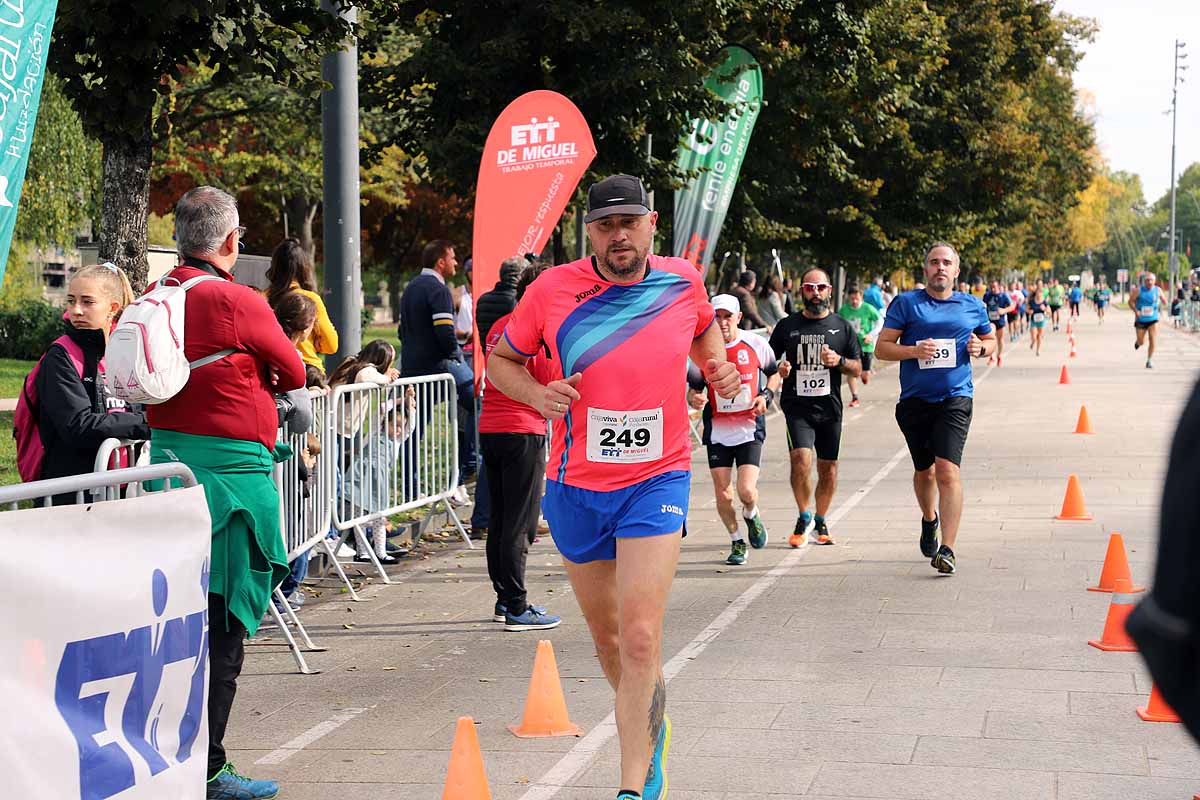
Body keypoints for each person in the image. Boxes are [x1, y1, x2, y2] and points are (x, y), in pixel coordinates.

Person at [486, 174, 739, 800]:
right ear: (589, 230)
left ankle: (634, 785)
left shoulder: (682, 280)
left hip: (657, 478)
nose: (618, 235)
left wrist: (717, 368)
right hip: (575, 486)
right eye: (605, 225)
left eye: (629, 222)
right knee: (608, 642)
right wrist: (539, 395)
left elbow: (705, 326)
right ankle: (649, 724)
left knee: (641, 636)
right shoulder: (551, 289)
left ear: (652, 222)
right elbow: (500, 362)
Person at [145, 186, 305, 799]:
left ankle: (182, 757)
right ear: (232, 242)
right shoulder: (234, 299)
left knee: (176, 629)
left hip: (165, 476)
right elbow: (293, 369)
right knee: (223, 632)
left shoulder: (157, 295)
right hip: (229, 492)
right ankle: (208, 767)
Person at [874, 242, 996, 575]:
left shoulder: (971, 305)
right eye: (934, 262)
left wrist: (981, 348)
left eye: (946, 263)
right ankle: (930, 519)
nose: (940, 267)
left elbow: (991, 339)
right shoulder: (907, 303)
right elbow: (881, 349)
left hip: (955, 399)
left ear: (956, 270)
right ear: (925, 269)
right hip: (914, 402)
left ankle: (948, 548)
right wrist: (914, 351)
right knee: (924, 470)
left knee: (947, 471)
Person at [478, 261, 560, 630]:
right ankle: (516, 604)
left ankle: (503, 599)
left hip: (492, 427)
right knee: (520, 523)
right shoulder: (537, 329)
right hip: (522, 429)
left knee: (499, 519)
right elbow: (545, 377)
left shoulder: (500, 325)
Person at [34, 263, 149, 500]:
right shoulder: (60, 356)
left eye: (87, 302)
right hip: (71, 495)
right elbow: (78, 425)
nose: (76, 310)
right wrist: (145, 424)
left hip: (124, 491)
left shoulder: (129, 351)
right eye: (71, 300)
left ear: (112, 308)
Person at [769, 268, 862, 547]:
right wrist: (779, 369)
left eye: (820, 287)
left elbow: (858, 368)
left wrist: (839, 361)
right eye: (810, 287)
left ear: (829, 291)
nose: (816, 293)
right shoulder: (787, 326)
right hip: (797, 407)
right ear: (802, 291)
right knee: (800, 460)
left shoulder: (842, 327)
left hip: (830, 408)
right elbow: (768, 363)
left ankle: (820, 518)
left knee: (828, 468)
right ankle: (803, 514)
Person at [686, 294, 780, 565]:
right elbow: (694, 390)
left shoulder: (755, 343)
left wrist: (766, 396)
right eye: (717, 317)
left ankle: (751, 514)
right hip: (717, 429)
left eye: (728, 317)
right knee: (723, 492)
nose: (723, 322)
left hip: (749, 428)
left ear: (739, 318)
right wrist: (695, 399)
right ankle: (737, 540)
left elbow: (772, 373)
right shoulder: (702, 351)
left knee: (746, 491)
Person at [399, 240, 476, 493]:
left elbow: (403, 331)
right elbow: (444, 332)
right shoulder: (438, 289)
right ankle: (469, 466)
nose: (456, 263)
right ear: (441, 262)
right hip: (439, 364)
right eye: (453, 258)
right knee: (477, 400)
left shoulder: (411, 287)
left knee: (414, 428)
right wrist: (455, 355)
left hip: (413, 367)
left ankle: (410, 488)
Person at [470, 256, 528, 539]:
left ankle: (484, 517)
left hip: (490, 372)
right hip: (513, 381)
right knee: (514, 462)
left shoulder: (483, 300)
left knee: (490, 460)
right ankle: (515, 523)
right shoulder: (514, 308)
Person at [264, 237, 338, 373]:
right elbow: (331, 346)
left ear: (275, 266)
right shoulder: (310, 299)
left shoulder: (263, 298)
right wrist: (315, 342)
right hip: (308, 372)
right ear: (304, 267)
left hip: (273, 371)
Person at [836, 284, 883, 406]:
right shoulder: (844, 310)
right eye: (852, 299)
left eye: (857, 298)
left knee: (864, 373)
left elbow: (880, 322)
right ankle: (855, 397)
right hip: (850, 345)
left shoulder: (868, 308)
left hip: (866, 345)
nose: (854, 301)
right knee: (852, 372)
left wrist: (871, 335)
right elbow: (837, 324)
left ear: (861, 297)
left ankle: (865, 374)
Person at [1130, 272, 1162, 369]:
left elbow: (1163, 299)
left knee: (1153, 339)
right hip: (1141, 319)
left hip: (1153, 319)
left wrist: (1163, 302)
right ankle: (1138, 342)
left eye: (1151, 280)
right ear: (1144, 282)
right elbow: (1130, 301)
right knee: (1141, 341)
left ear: (1154, 281)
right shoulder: (1138, 291)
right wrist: (1136, 311)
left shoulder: (1157, 290)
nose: (1149, 282)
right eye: (1147, 280)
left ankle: (1149, 360)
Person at [981, 279, 1015, 366]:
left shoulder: (1003, 296)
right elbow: (982, 305)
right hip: (990, 321)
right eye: (991, 287)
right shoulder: (987, 296)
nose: (993, 289)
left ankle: (999, 356)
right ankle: (991, 357)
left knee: (1000, 339)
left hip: (1000, 321)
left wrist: (1004, 310)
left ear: (998, 287)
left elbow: (1012, 306)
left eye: (994, 287)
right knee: (991, 338)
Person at [1027, 287, 1048, 356]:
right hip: (1034, 321)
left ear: (1042, 294)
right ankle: (1033, 341)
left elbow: (1049, 311)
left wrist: (1044, 309)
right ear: (1036, 293)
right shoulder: (1032, 301)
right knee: (1034, 336)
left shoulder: (1044, 302)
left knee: (1039, 336)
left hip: (1041, 321)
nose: (1039, 294)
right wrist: (1029, 311)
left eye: (1040, 293)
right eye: (1038, 292)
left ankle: (1038, 350)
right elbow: (1026, 309)